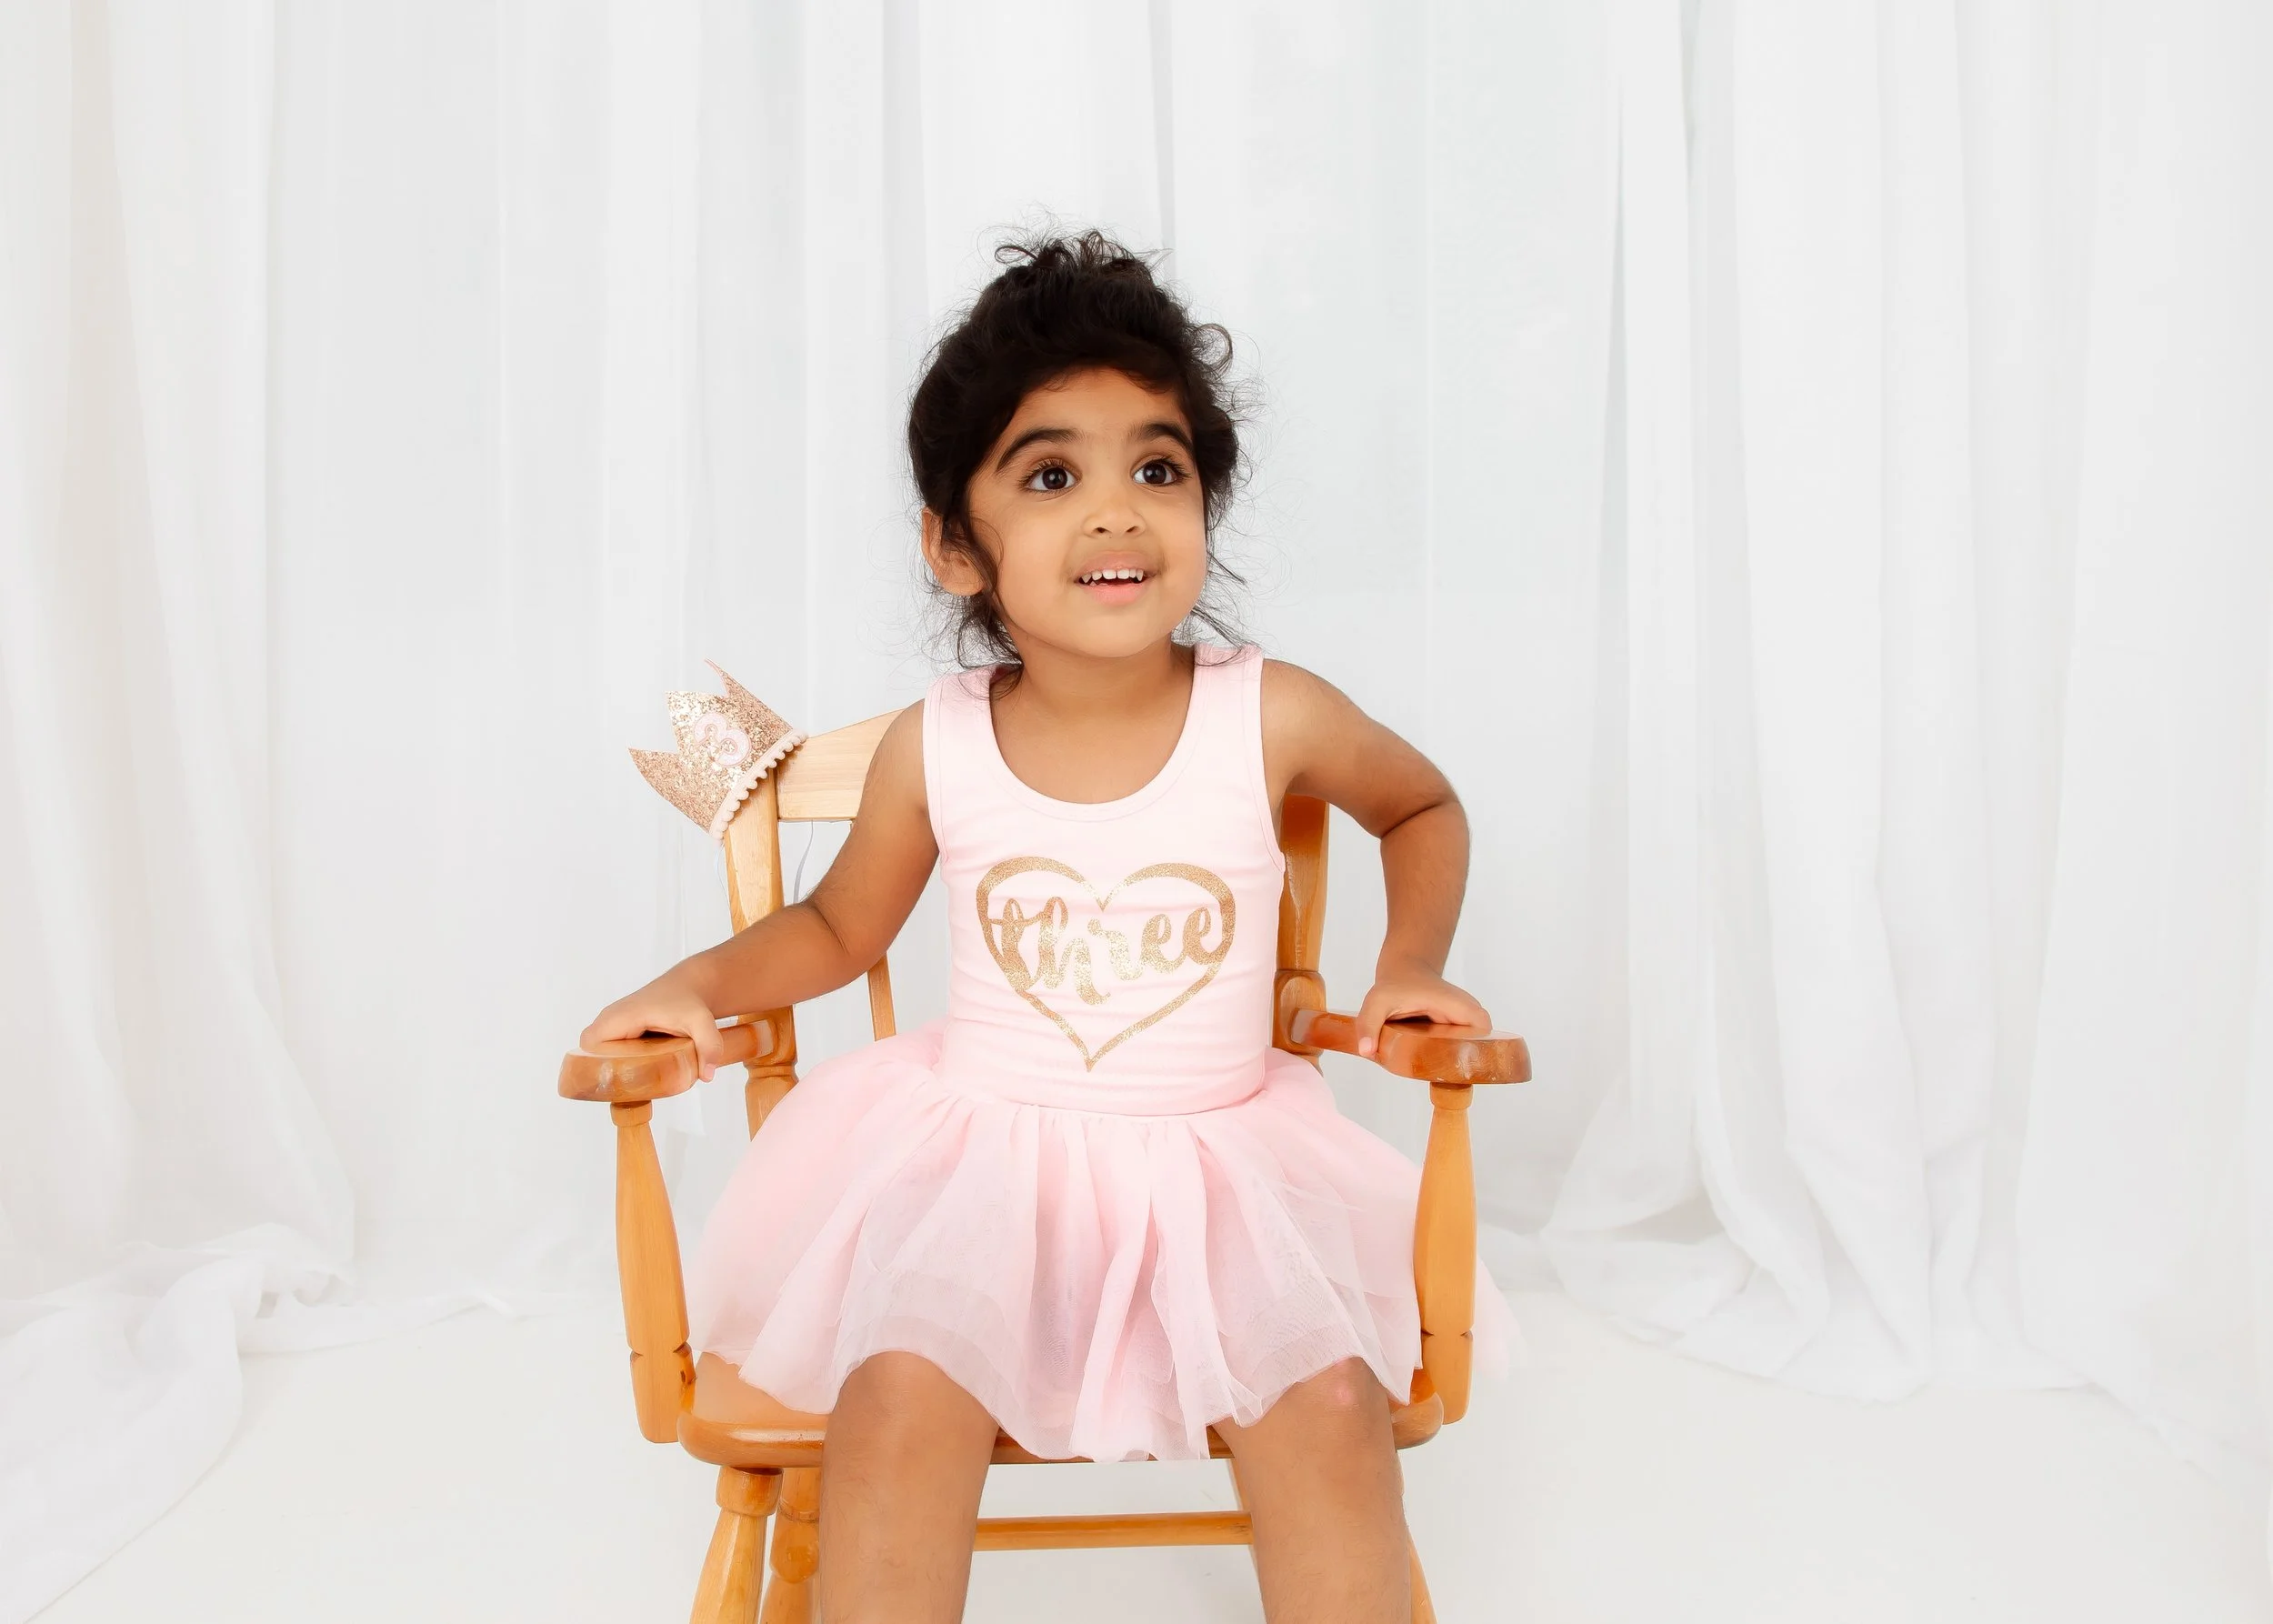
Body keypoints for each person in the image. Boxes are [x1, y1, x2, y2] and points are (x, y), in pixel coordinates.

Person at [582, 231, 1517, 1623]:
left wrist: (1410, 964)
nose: (1116, 513)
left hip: (1220, 1175)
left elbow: (1422, 804)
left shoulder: (1274, 712)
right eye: (1050, 474)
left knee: (1327, 1406)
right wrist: (692, 981)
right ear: (957, 546)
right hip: (984, 1168)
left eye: (1159, 468)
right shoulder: (935, 744)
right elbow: (838, 927)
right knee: (896, 1400)